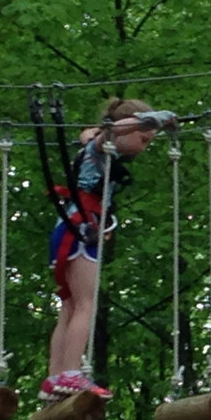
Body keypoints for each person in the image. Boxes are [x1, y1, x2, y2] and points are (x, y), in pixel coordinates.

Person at [39, 98, 176, 402]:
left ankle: (55, 377)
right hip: (81, 228)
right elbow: (111, 131)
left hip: (69, 228)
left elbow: (95, 134)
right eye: (143, 139)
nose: (144, 147)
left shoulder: (95, 147)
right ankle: (70, 373)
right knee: (85, 305)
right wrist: (155, 118)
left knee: (70, 307)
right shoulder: (103, 145)